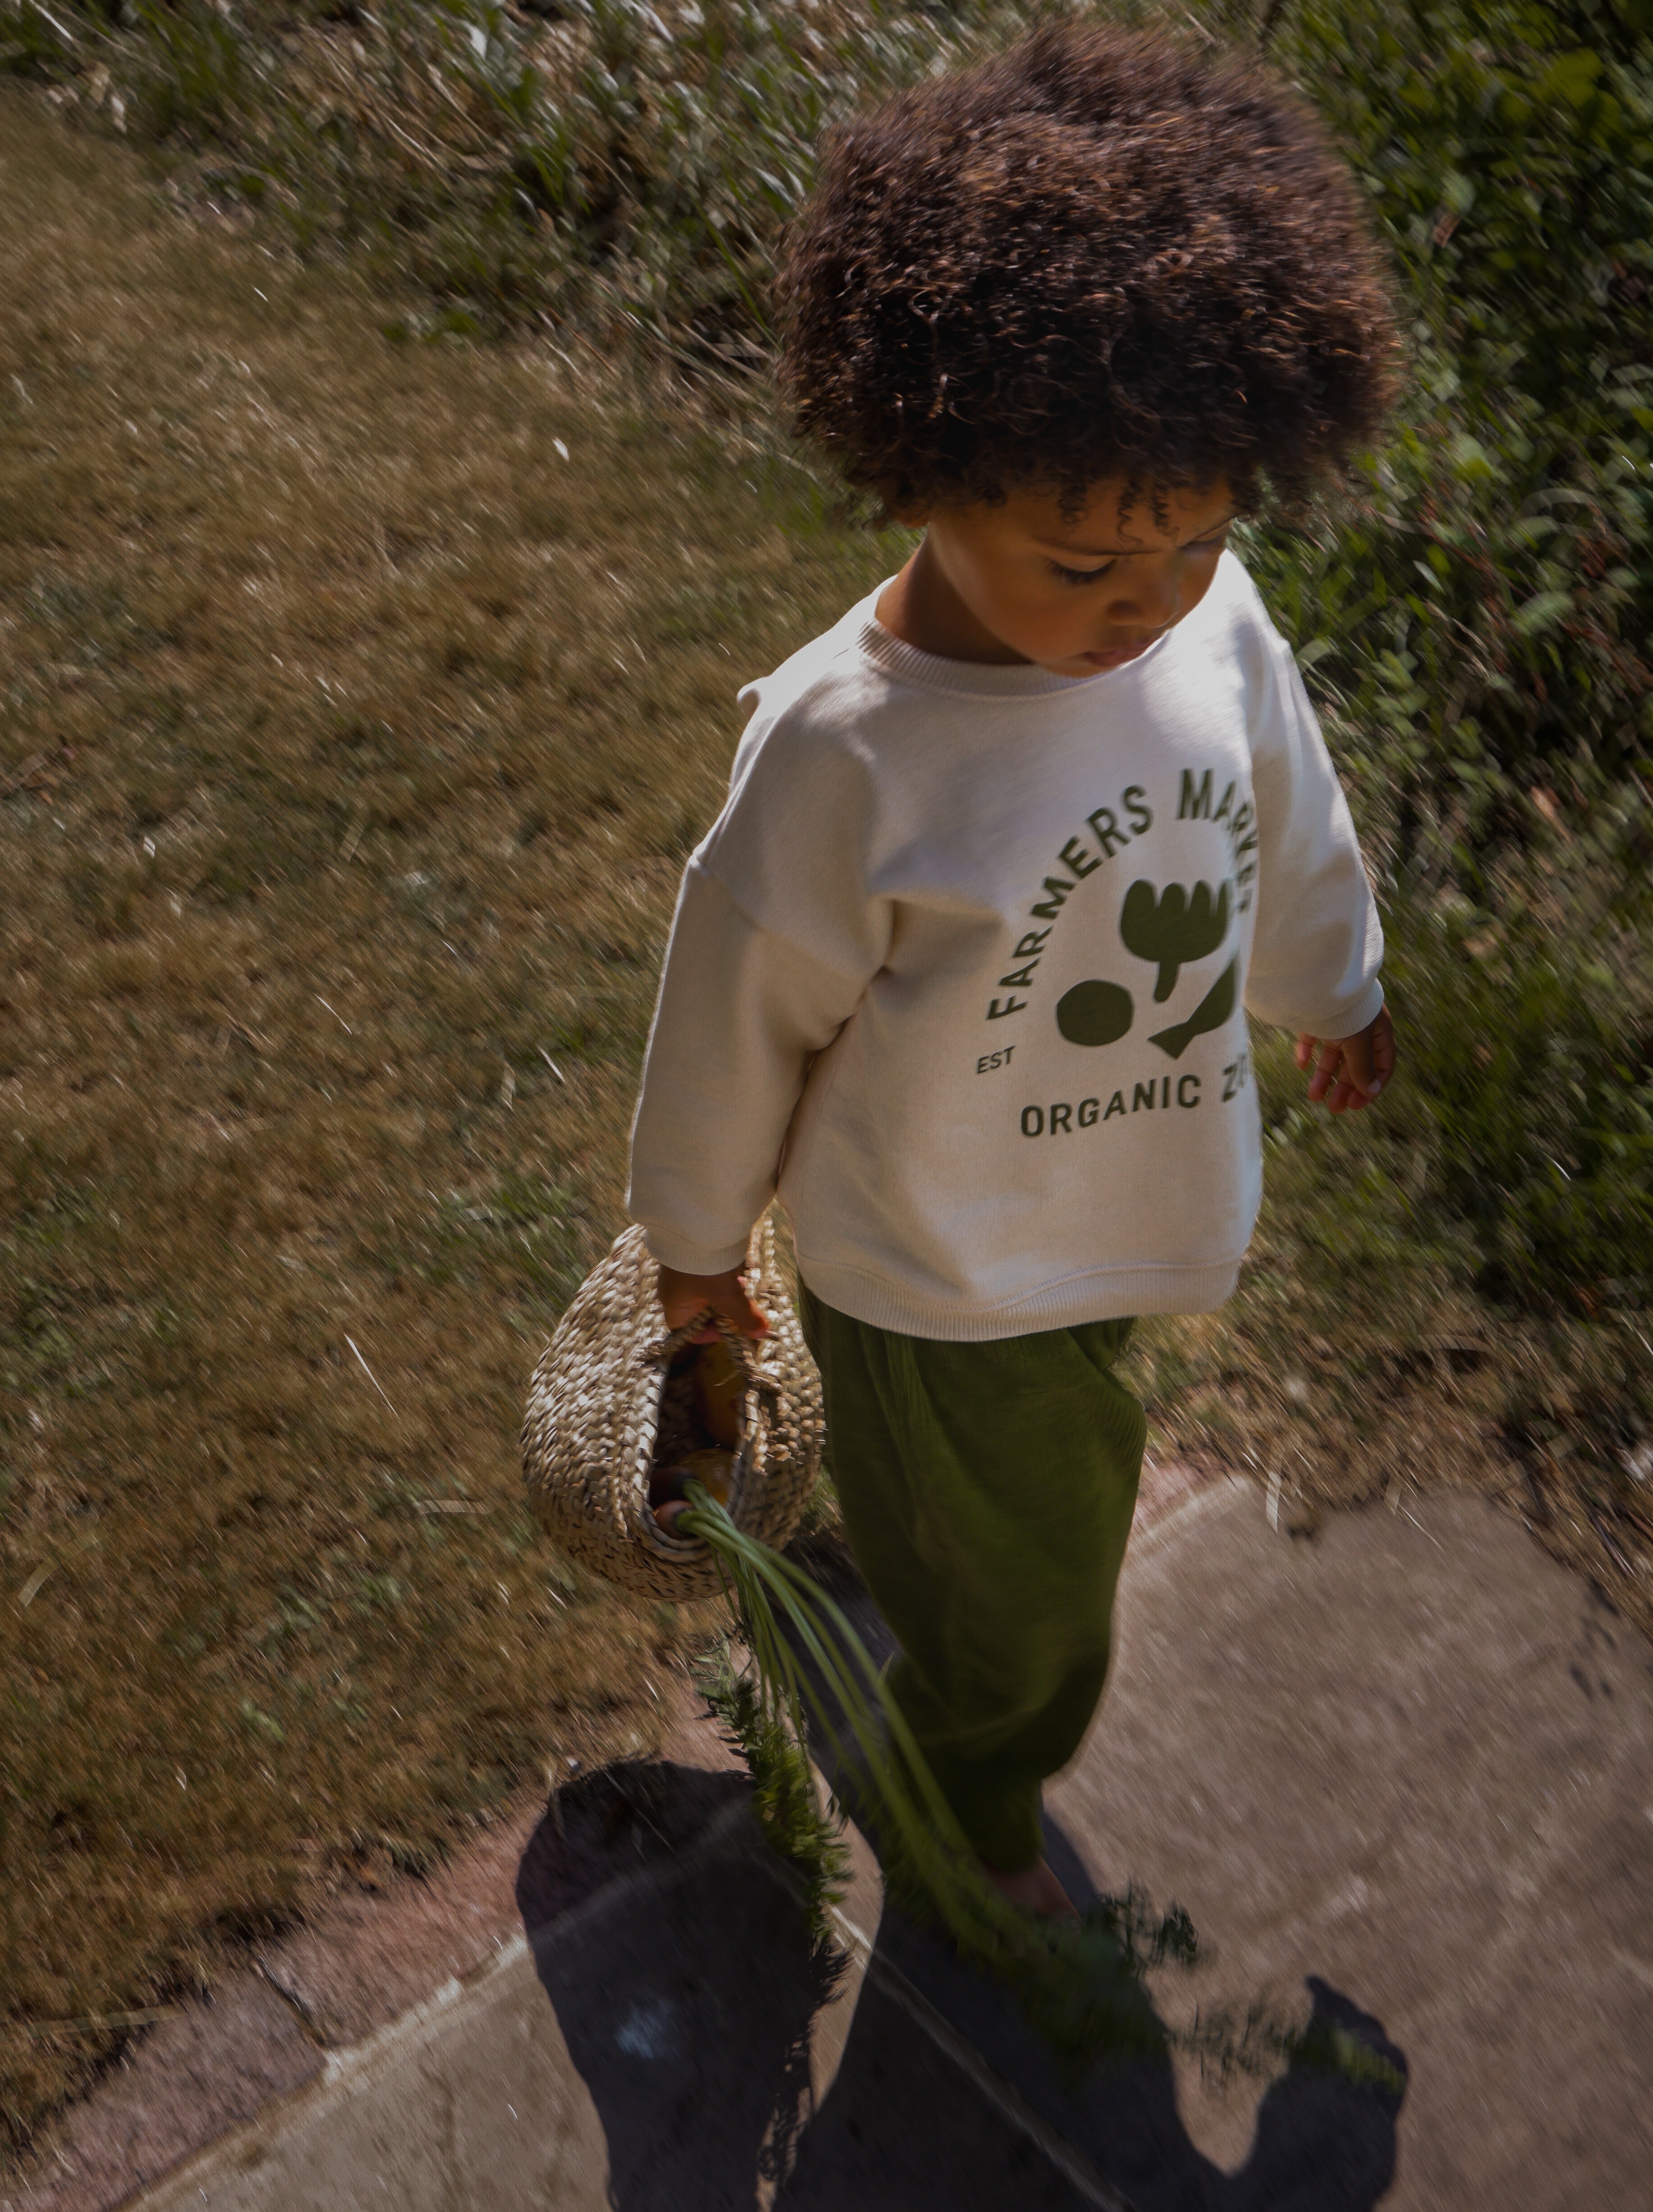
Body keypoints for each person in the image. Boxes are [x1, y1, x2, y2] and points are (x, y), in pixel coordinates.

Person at [628, 22, 1398, 1920]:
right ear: (921, 474)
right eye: (1078, 566)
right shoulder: (848, 749)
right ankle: (969, 1808)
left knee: (1017, 1496)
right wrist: (694, 1248)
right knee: (1040, 1592)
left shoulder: (1210, 631)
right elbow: (734, 1013)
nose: (1138, 609)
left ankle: (902, 1581)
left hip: (1114, 1193)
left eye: (1195, 546)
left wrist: (1336, 984)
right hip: (934, 1263)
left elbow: (1277, 818)